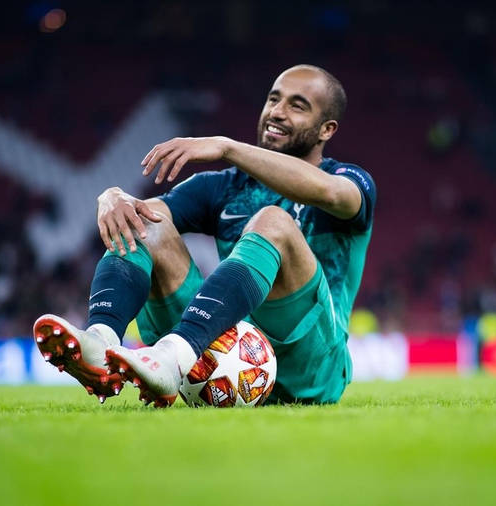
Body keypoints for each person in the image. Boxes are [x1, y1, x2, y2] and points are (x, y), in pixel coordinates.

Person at [33, 64, 376, 407]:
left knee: (274, 220)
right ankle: (100, 343)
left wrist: (227, 147)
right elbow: (143, 214)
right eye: (274, 99)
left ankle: (174, 356)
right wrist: (111, 197)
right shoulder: (225, 186)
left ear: (326, 129)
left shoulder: (348, 180)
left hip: (311, 369)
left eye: (297, 106)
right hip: (225, 352)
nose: (277, 111)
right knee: (142, 220)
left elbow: (331, 193)